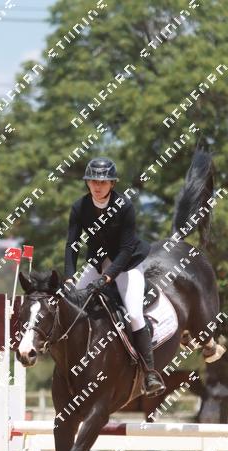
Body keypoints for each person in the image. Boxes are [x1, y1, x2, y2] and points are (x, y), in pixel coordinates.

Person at [64, 157, 165, 396]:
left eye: (102, 182)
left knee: (134, 314)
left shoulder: (124, 206)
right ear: (87, 182)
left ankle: (149, 373)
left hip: (127, 264)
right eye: (93, 181)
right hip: (97, 263)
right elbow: (72, 244)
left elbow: (127, 249)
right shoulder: (79, 207)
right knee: (71, 305)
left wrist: (108, 277)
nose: (97, 186)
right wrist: (69, 277)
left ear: (112, 183)